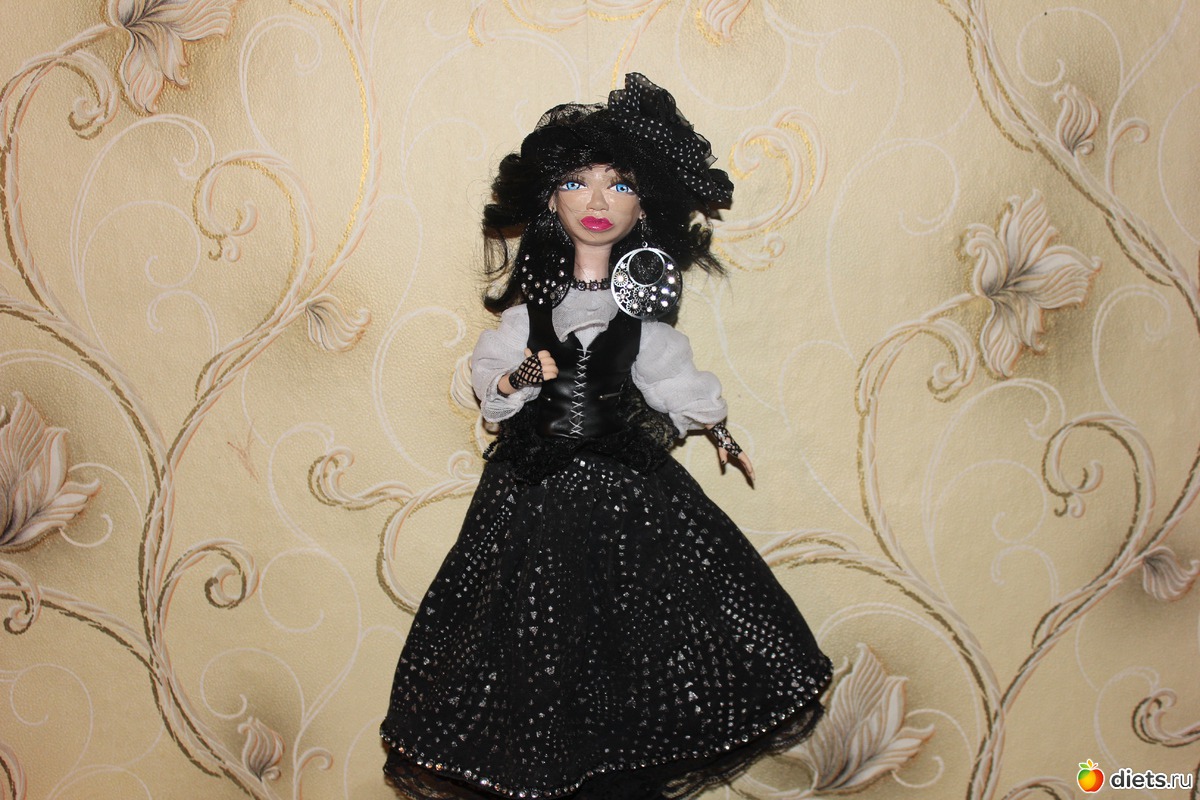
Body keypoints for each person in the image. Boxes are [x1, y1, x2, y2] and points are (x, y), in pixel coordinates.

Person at [380, 73, 832, 800]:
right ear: (549, 200)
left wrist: (718, 431)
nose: (597, 201)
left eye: (618, 185)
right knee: (536, 642)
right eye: (577, 183)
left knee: (639, 641)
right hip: (536, 501)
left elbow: (673, 380)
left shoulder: (640, 320)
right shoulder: (529, 316)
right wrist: (524, 373)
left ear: (642, 206)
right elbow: (492, 390)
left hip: (628, 502)